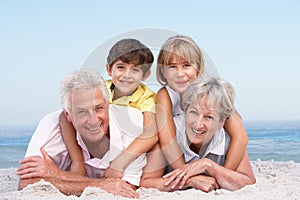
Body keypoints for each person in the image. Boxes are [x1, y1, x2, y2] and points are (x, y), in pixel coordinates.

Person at [17, 69, 147, 198]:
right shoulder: (51, 126)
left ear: (108, 105)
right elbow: (27, 183)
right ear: (68, 115)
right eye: (81, 112)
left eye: (98, 108)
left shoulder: (132, 122)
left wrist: (57, 175)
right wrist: (100, 185)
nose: (93, 121)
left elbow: (127, 186)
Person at [59, 38, 158, 179]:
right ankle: (81, 163)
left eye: (135, 70)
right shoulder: (99, 88)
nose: (126, 75)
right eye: (121, 67)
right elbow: (65, 117)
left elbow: (150, 133)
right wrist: (77, 161)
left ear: (145, 75)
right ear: (109, 69)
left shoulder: (146, 97)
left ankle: (146, 180)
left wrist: (119, 163)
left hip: (131, 152)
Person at [141, 77, 256, 192]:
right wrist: (189, 181)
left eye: (208, 117)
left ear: (222, 121)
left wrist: (209, 166)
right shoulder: (170, 134)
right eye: (194, 112)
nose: (198, 124)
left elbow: (248, 181)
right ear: (185, 110)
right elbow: (146, 182)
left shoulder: (228, 139)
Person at [154, 35, 248, 171]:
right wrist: (185, 174)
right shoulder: (165, 95)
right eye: (172, 67)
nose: (180, 73)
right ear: (163, 71)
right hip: (182, 154)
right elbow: (167, 140)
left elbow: (240, 137)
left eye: (186, 65)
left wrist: (224, 173)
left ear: (198, 67)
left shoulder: (210, 93)